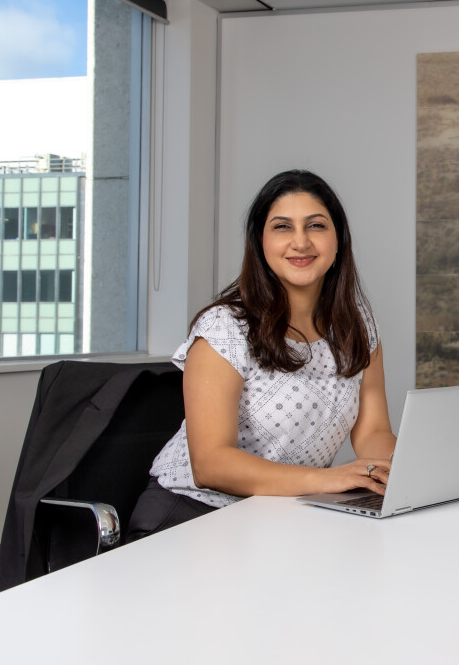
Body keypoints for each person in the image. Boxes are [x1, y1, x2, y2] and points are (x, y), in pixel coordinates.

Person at [127, 170, 396, 540]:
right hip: (192, 515)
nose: (300, 242)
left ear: (338, 241)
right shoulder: (224, 327)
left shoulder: (358, 325)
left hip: (282, 513)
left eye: (316, 225)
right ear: (260, 242)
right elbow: (211, 464)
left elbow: (374, 431)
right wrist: (329, 480)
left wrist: (398, 470)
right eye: (282, 227)